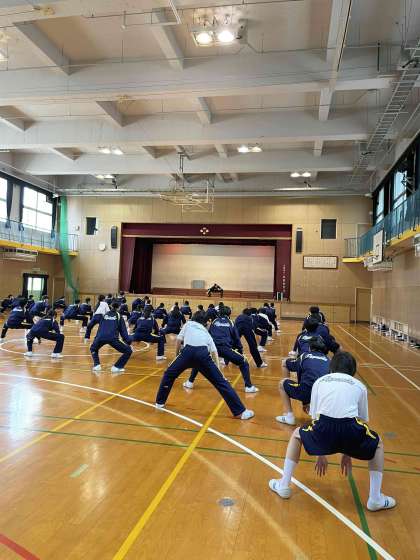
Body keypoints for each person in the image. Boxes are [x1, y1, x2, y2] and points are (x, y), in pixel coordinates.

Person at [268, 351, 396, 512]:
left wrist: (320, 453)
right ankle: (375, 498)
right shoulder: (359, 386)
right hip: (350, 428)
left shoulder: (320, 382)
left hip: (324, 427)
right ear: (353, 371)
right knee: (377, 444)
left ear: (331, 368)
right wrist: (347, 452)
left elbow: (315, 418)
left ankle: (284, 485)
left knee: (296, 435)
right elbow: (360, 421)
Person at [155, 311, 254, 420]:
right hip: (203, 355)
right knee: (221, 383)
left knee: (168, 374)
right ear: (205, 323)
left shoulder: (188, 324)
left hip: (187, 353)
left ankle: (159, 402)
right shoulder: (206, 332)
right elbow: (214, 353)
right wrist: (219, 371)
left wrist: (177, 356)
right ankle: (240, 412)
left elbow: (178, 340)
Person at [184, 305, 258, 392]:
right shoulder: (231, 322)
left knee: (199, 361)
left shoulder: (214, 321)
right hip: (225, 348)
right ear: (229, 314)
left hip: (212, 347)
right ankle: (248, 387)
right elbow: (236, 338)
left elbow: (208, 333)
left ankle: (190, 382)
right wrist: (240, 350)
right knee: (244, 362)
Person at [276, 336, 330, 426]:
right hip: (324, 396)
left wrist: (305, 401)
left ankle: (289, 416)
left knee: (282, 383)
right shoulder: (329, 360)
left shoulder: (304, 356)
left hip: (307, 392)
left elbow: (289, 366)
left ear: (310, 347)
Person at [90, 302, 133, 374]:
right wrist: (128, 341)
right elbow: (123, 331)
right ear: (119, 307)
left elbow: (96, 323)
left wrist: (94, 337)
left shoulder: (104, 315)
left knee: (93, 348)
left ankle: (97, 365)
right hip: (113, 338)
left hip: (100, 337)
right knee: (128, 351)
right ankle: (117, 367)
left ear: (111, 306)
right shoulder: (119, 316)